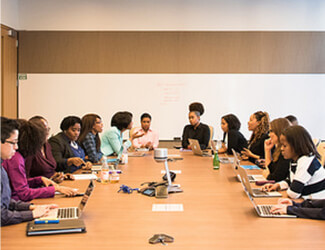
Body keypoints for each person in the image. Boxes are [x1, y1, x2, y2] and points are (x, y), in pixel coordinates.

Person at [2, 119, 77, 202]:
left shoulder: (18, 156)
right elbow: (23, 193)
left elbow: (18, 183)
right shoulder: (15, 158)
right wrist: (55, 189)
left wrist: (39, 180)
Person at [1, 117, 58, 226]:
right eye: (13, 143)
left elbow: (5, 201)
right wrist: (31, 214)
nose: (16, 147)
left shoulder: (2, 166)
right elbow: (2, 215)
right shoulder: (14, 160)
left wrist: (30, 207)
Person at [263, 126, 325, 199]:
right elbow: (290, 181)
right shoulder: (295, 160)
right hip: (307, 202)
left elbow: (294, 193)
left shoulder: (305, 161)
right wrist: (278, 185)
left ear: (297, 146)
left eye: (284, 146)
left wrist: (289, 189)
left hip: (317, 204)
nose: (281, 149)